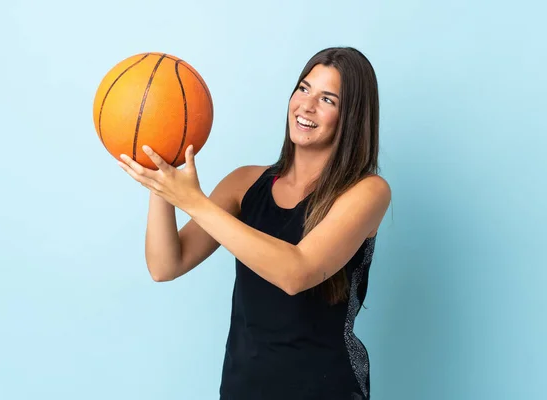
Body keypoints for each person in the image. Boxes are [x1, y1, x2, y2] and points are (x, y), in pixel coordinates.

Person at [117, 46, 391, 399]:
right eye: (304, 88)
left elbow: (297, 272)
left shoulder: (367, 192)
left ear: (352, 116)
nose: (306, 105)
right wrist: (161, 175)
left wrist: (193, 201)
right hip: (241, 389)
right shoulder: (244, 182)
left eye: (328, 99)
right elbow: (165, 265)